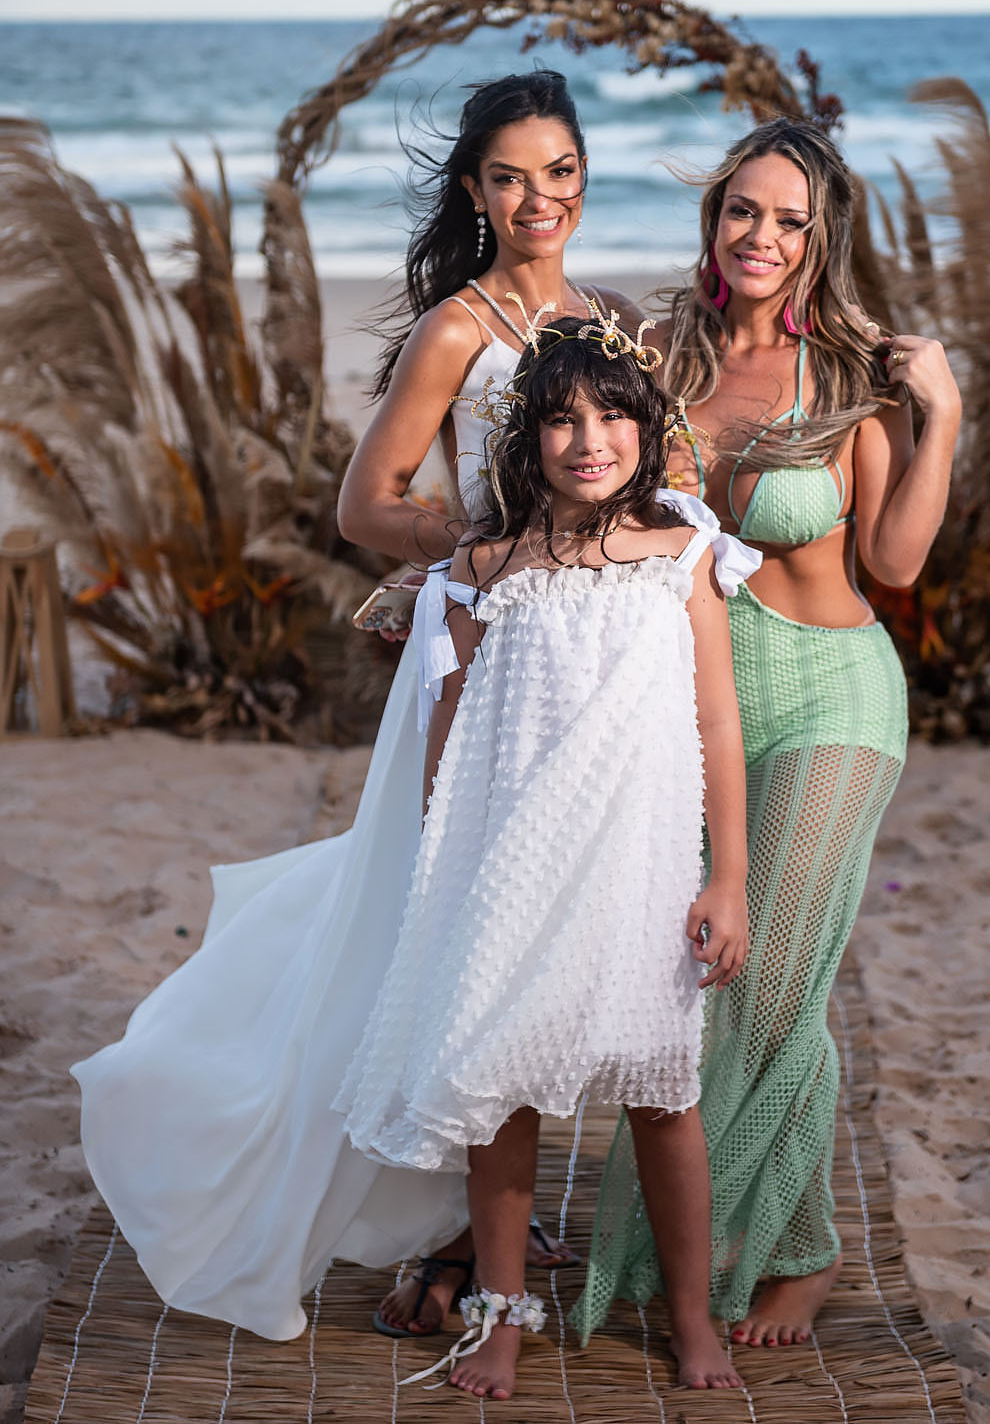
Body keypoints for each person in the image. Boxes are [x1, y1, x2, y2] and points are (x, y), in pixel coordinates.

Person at [71, 70, 630, 1341]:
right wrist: (494, 539)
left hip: (583, 664)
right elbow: (366, 503)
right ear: (476, 192)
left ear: (584, 176)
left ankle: (466, 1214)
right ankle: (436, 1220)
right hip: (481, 652)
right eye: (507, 175)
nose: (536, 196)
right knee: (436, 917)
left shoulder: (607, 320)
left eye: (557, 169)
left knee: (531, 922)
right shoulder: (458, 326)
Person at [575, 117, 961, 1349]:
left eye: (791, 221)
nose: (763, 235)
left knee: (774, 969)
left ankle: (804, 1254)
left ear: (818, 243)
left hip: (836, 699)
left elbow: (895, 562)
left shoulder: (845, 383)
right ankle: (734, 1231)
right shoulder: (660, 360)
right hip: (700, 707)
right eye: (746, 209)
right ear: (715, 219)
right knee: (701, 979)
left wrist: (941, 413)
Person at [341, 312, 754, 1399]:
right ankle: (502, 1319)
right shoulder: (484, 567)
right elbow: (449, 734)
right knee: (502, 1095)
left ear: (647, 427)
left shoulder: (683, 555)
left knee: (664, 1093)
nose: (588, 437)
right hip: (513, 868)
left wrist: (728, 875)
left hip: (642, 865)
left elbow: (717, 720)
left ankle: (693, 1318)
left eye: (612, 412)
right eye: (562, 418)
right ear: (526, 441)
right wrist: (445, 877)